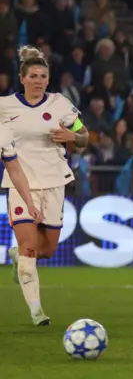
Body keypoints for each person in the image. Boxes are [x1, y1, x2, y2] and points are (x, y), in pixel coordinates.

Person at [1, 46, 89, 326]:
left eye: (43, 76)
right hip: (20, 183)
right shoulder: (5, 106)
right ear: (22, 78)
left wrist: (71, 136)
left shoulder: (60, 104)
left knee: (47, 250)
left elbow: (85, 137)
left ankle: (18, 256)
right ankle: (37, 311)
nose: (39, 81)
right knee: (29, 247)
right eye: (33, 76)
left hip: (54, 182)